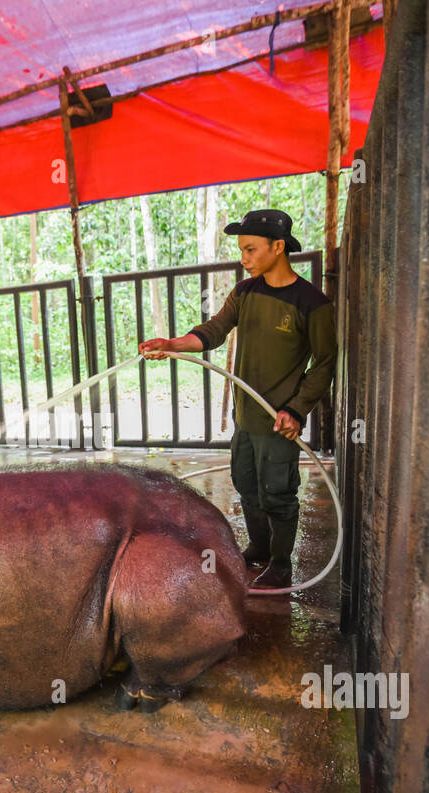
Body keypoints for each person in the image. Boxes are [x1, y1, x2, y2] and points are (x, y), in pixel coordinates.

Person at [138, 209, 337, 589]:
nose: (243, 258)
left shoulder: (312, 303)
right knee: (246, 483)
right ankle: (260, 548)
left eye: (250, 249)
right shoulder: (245, 293)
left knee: (278, 493)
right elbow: (214, 331)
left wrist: (297, 410)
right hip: (246, 416)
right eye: (242, 250)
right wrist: (172, 344)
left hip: (279, 421)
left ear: (278, 247)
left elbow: (325, 363)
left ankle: (280, 565)